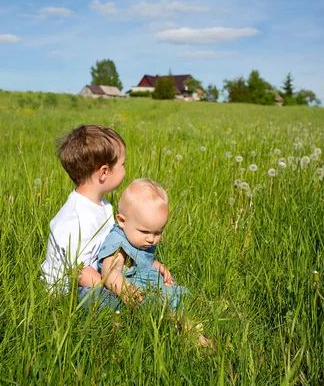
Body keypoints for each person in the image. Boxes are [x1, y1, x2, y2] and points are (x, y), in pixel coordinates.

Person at [98, 179, 212, 347]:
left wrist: (157, 266)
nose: (151, 239)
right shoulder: (119, 243)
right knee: (165, 309)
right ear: (122, 221)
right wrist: (127, 290)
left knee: (180, 296)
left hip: (152, 285)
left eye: (158, 232)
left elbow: (144, 260)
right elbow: (109, 272)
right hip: (137, 294)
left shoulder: (138, 238)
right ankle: (194, 336)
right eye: (145, 231)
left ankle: (207, 311)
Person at [40, 124, 125, 308]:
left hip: (95, 278)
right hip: (71, 290)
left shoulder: (103, 206)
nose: (125, 170)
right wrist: (118, 289)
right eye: (122, 165)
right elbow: (79, 271)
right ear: (104, 172)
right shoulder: (75, 218)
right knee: (111, 302)